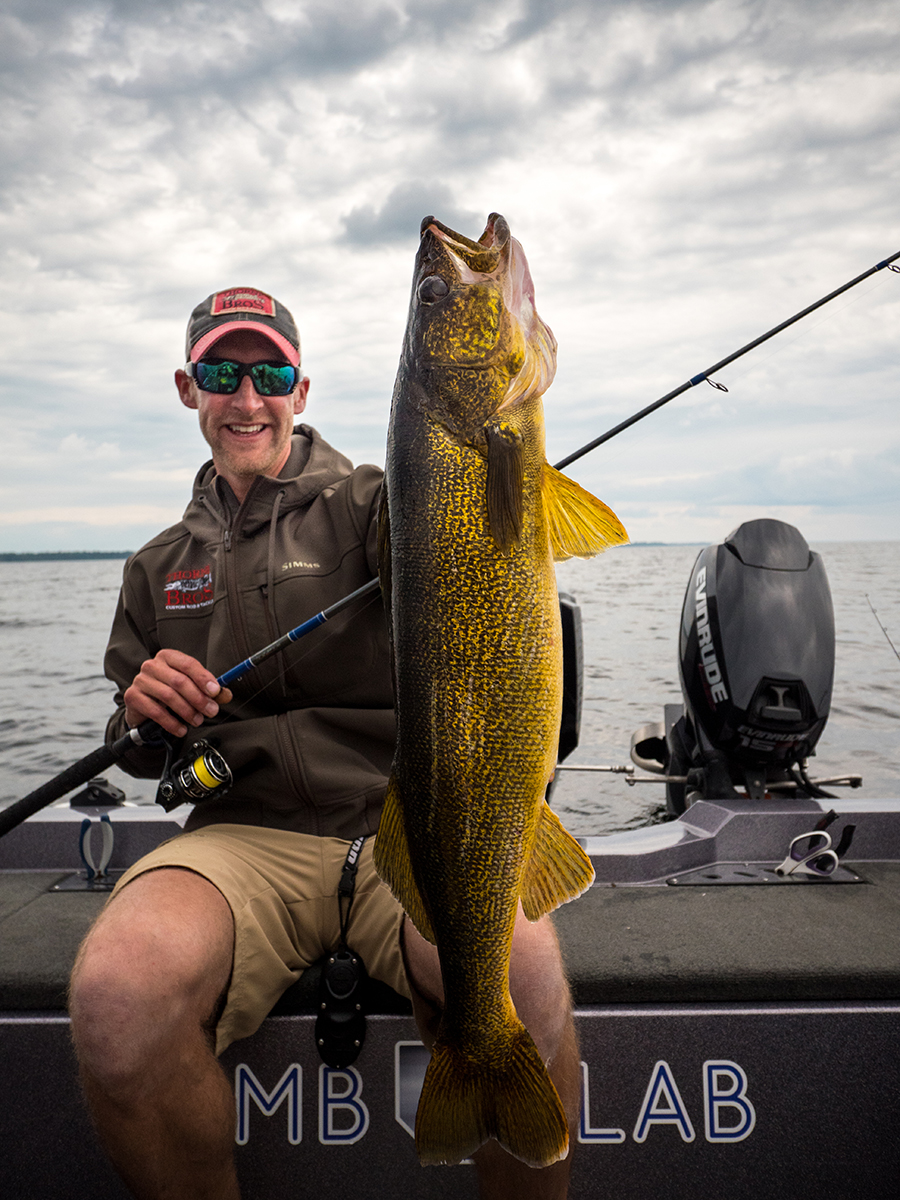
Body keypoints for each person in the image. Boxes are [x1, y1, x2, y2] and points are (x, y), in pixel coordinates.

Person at [68, 286, 581, 1200]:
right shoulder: (155, 568)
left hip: (410, 821)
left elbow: (488, 534)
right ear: (189, 390)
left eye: (269, 373)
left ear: (301, 389)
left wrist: (511, 395)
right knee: (116, 996)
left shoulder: (376, 502)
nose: (247, 398)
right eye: (223, 373)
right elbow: (136, 752)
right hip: (241, 839)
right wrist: (140, 715)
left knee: (525, 980)